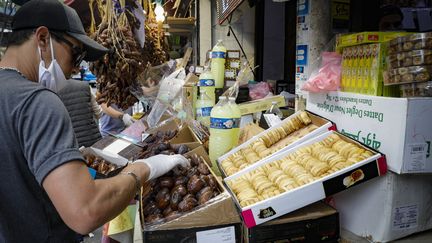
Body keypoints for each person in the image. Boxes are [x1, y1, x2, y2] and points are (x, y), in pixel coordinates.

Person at [0, 0, 189, 242]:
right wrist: (143, 169)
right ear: (43, 38)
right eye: (76, 55)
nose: (73, 70)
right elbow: (85, 211)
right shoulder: (38, 102)